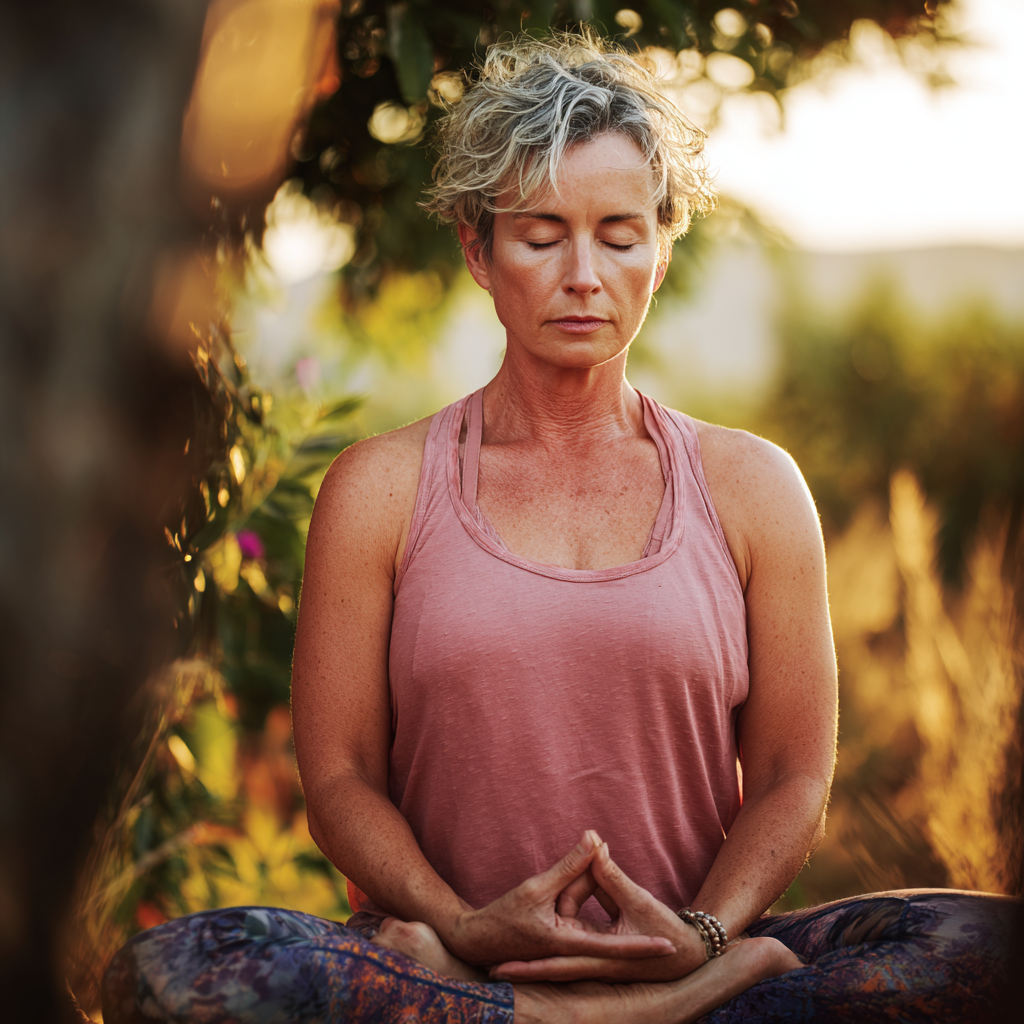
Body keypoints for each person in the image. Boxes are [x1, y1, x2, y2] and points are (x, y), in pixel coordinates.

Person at [103, 31, 1015, 1024]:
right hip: (445, 966)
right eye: (541, 234)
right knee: (176, 968)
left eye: (619, 234)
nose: (583, 273)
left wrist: (702, 933)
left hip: (689, 960)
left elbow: (795, 775)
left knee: (988, 946)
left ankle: (623, 1004)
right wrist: (462, 924)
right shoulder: (381, 488)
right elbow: (340, 778)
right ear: (477, 250)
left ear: (660, 250)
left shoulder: (753, 488)